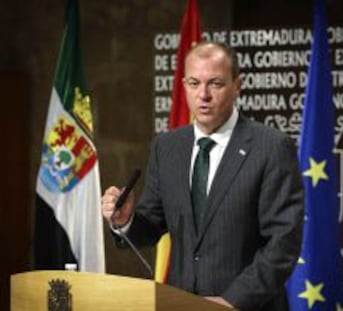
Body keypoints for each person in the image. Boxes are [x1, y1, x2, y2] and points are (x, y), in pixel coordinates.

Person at [101, 41, 304, 311]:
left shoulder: (271, 147)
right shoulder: (168, 146)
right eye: (194, 83)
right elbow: (151, 225)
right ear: (183, 85)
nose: (203, 95)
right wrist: (126, 220)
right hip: (181, 304)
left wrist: (231, 301)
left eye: (216, 84)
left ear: (237, 85)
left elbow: (283, 244)